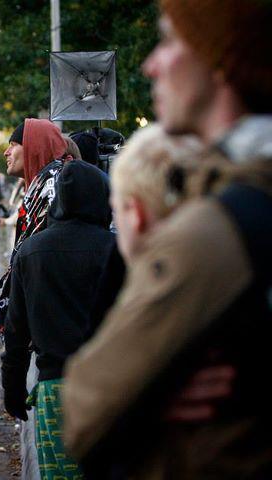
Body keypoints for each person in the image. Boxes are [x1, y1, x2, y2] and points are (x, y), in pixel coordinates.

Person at [62, 1, 272, 477]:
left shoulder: (212, 229)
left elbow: (85, 408)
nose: (151, 64)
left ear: (221, 58)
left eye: (171, 41)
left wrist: (142, 392)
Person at [1, 160, 114, 479]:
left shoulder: (31, 251)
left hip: (54, 388)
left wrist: (13, 388)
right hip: (109, 387)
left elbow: (16, 330)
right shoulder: (116, 250)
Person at [0, 118, 66, 339]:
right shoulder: (38, 188)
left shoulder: (55, 187)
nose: (6, 152)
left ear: (34, 147)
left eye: (14, 145)